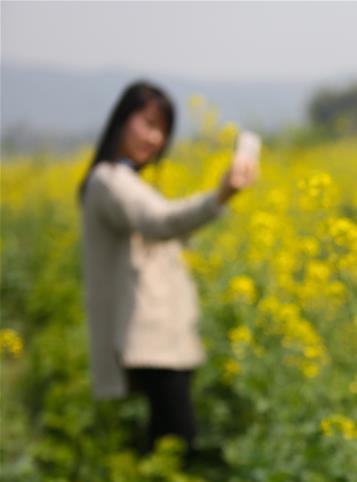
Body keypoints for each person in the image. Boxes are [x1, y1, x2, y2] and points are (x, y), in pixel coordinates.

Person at [77, 80, 257, 459]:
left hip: (161, 337)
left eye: (162, 130)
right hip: (147, 339)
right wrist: (221, 194)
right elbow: (159, 222)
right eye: (147, 123)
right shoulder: (110, 181)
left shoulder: (126, 181)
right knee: (175, 443)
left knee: (165, 442)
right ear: (121, 120)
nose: (154, 138)